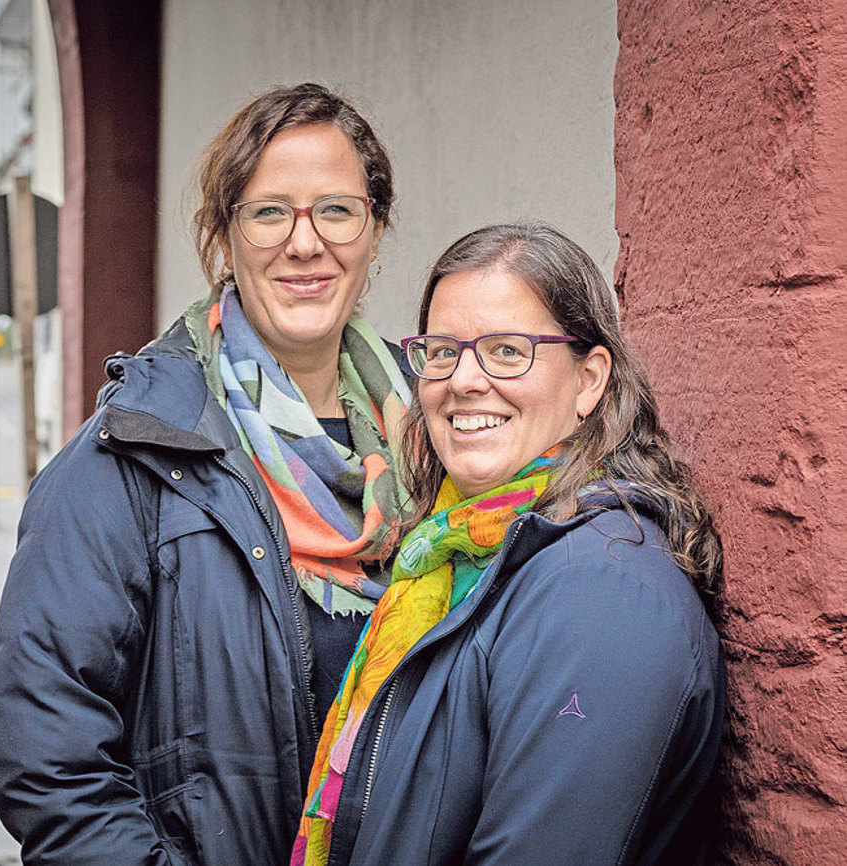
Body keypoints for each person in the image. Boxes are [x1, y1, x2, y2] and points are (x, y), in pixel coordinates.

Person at [0, 83, 414, 865]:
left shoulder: (436, 443)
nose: (305, 243)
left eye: (337, 210)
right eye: (269, 211)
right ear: (225, 237)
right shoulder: (133, 455)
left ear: (375, 231)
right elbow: (44, 757)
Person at [292, 223, 725, 865]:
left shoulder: (601, 590)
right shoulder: (447, 559)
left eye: (505, 350)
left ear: (589, 380)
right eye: (442, 351)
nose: (463, 381)